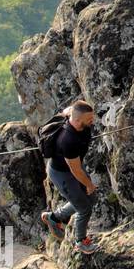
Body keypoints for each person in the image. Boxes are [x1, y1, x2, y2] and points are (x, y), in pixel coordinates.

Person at [40, 101, 100, 255]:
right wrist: (89, 185)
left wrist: (89, 188)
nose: (92, 121)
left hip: (72, 169)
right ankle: (80, 242)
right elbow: (76, 171)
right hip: (63, 175)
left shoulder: (75, 117)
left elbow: (70, 110)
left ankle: (54, 217)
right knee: (84, 208)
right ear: (78, 121)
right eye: (89, 119)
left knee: (90, 198)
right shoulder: (68, 141)